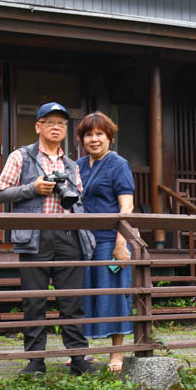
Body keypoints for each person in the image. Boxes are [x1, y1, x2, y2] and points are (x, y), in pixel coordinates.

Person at [0, 102, 94, 376]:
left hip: (68, 235)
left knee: (72, 302)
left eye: (61, 123)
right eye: (49, 122)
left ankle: (78, 360)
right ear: (38, 126)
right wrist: (33, 188)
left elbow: (78, 200)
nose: (56, 127)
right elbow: (1, 193)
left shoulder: (72, 164)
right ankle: (36, 361)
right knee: (34, 301)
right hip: (35, 235)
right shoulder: (21, 156)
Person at [76, 111, 135, 373]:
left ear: (109, 137)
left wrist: (121, 243)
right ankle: (84, 350)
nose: (94, 139)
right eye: (89, 134)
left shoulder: (118, 164)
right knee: (84, 295)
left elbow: (127, 205)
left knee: (113, 295)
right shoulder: (77, 165)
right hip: (82, 240)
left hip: (110, 239)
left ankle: (117, 352)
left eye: (100, 133)